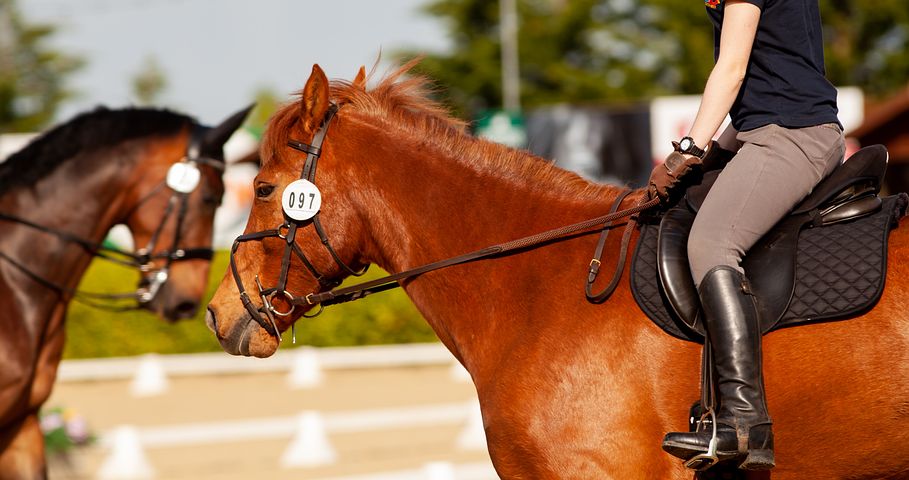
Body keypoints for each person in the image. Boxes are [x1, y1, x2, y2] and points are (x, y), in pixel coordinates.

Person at [647, 0, 845, 471]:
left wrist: (689, 149)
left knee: (711, 243)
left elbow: (732, 68)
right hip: (759, 127)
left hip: (792, 133)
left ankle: (743, 420)